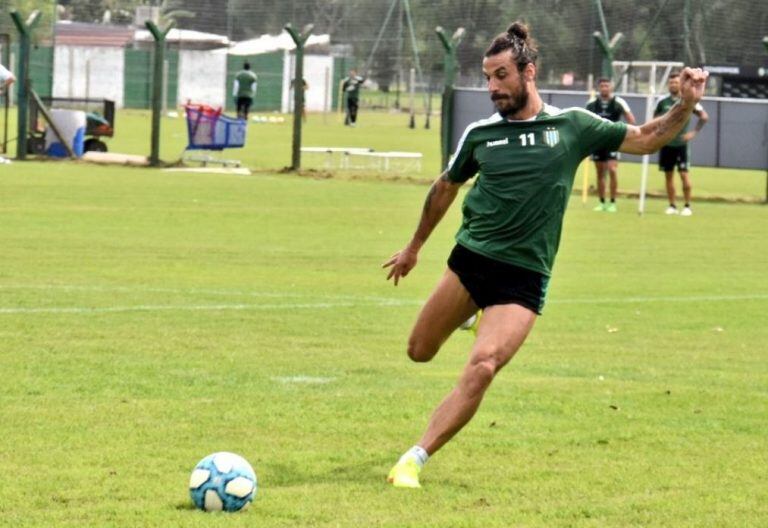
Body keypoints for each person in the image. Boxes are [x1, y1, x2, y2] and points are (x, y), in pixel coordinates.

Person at [382, 21, 708, 489]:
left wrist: (685, 104)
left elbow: (646, 137)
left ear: (528, 72)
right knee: (419, 351)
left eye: (501, 76)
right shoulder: (480, 134)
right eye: (487, 77)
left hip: (523, 277)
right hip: (472, 260)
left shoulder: (572, 126)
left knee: (483, 365)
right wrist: (414, 248)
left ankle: (413, 458)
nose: (492, 87)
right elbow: (445, 187)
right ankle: (471, 312)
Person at [654, 72, 708, 216]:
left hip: (681, 145)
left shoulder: (688, 99)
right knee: (668, 175)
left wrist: (693, 133)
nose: (673, 85)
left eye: (676, 82)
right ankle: (672, 205)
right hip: (666, 144)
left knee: (684, 175)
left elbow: (704, 116)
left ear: (681, 84)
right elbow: (654, 120)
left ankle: (687, 206)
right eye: (671, 83)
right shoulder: (662, 102)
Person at [585, 78, 636, 212]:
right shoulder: (592, 104)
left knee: (612, 170)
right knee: (600, 173)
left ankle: (613, 202)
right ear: (598, 88)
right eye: (602, 86)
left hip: (613, 142)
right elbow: (584, 121)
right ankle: (602, 202)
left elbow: (631, 119)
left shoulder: (618, 102)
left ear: (611, 87)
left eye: (606, 86)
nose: (604, 88)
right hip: (598, 143)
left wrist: (624, 134)